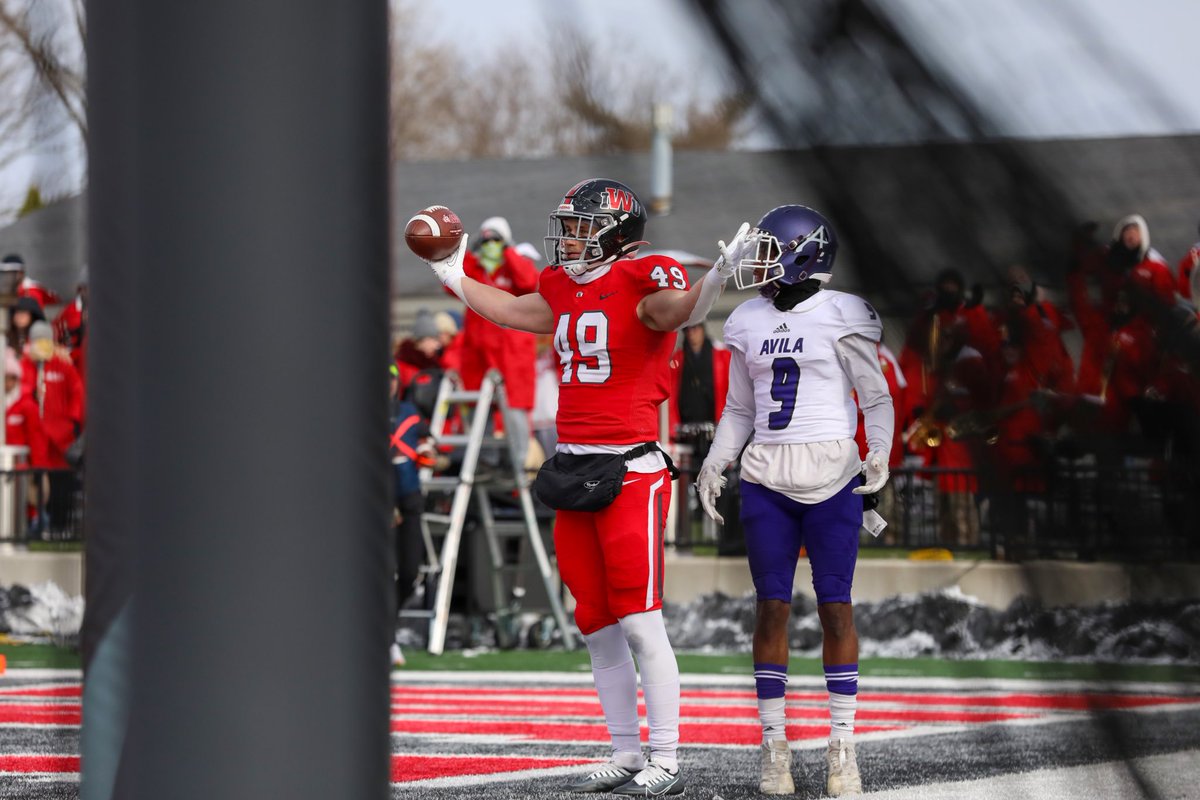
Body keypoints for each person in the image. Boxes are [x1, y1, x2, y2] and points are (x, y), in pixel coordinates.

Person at [419, 178, 742, 797]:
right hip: (573, 465)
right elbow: (512, 311)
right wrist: (452, 271)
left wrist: (714, 280)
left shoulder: (646, 275)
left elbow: (678, 312)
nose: (568, 236)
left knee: (641, 620)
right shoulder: (563, 286)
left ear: (616, 231)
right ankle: (625, 752)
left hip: (631, 468)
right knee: (593, 619)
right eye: (566, 224)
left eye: (579, 225)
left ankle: (666, 758)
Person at [692, 205, 893, 797]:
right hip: (766, 475)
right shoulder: (748, 319)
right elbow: (740, 409)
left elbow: (875, 398)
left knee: (836, 607)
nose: (759, 263)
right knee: (770, 607)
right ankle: (774, 744)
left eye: (770, 252)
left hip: (832, 471)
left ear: (805, 252)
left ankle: (842, 743)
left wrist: (877, 452)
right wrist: (714, 460)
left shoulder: (843, 312)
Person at [457, 216, 539, 469]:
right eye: (487, 240)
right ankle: (485, 460)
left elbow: (529, 282)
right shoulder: (478, 268)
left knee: (514, 407)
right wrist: (473, 254)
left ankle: (520, 461)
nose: (491, 244)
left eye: (496, 239)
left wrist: (509, 252)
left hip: (510, 352)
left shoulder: (514, 266)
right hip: (479, 350)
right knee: (479, 405)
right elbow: (453, 284)